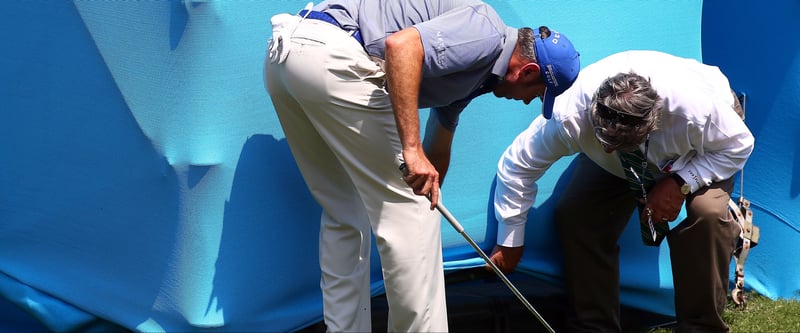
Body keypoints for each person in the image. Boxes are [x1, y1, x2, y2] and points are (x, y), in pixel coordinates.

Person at [264, 1, 580, 332]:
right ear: (527, 71)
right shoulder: (487, 32)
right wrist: (410, 153)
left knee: (346, 211)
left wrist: (428, 184)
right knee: (412, 217)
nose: (529, 102)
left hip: (289, 58)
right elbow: (401, 47)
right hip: (334, 57)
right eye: (538, 93)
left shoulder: (477, 77)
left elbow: (438, 146)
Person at [489, 50, 754, 332]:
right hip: (622, 150)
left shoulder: (696, 112)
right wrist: (510, 241)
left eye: (618, 143)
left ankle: (701, 327)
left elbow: (739, 145)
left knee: (707, 214)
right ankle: (594, 327)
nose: (608, 148)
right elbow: (516, 165)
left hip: (701, 148)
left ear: (652, 123)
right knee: (577, 214)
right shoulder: (569, 116)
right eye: (605, 140)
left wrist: (680, 182)